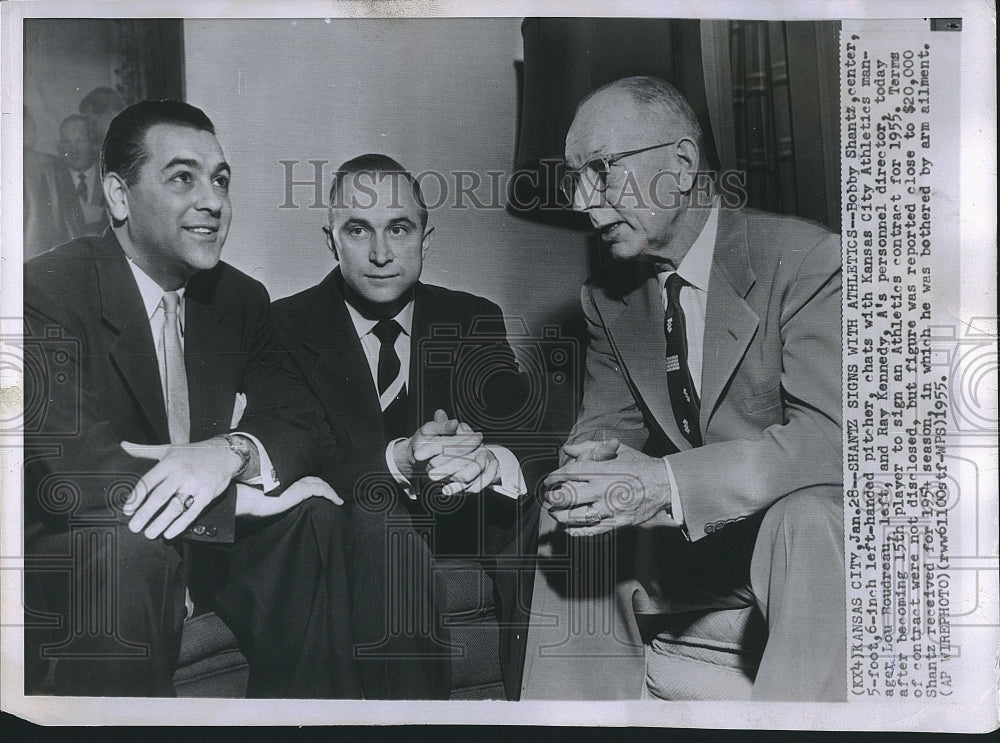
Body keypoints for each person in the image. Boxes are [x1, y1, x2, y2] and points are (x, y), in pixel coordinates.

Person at [521, 76, 845, 701]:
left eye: (602, 171)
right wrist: (584, 473)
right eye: (574, 179)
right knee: (574, 517)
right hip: (698, 553)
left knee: (811, 515)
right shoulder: (609, 299)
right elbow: (600, 434)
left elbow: (829, 442)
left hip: (791, 539)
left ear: (682, 163)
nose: (586, 205)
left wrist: (666, 483)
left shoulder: (807, 261)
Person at [24, 100, 360, 698]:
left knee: (316, 518)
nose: (213, 201)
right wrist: (235, 501)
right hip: (94, 546)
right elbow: (72, 465)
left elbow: (302, 418)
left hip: (203, 552)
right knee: (130, 544)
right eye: (183, 178)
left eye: (221, 180)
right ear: (119, 197)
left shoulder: (240, 299)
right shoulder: (46, 287)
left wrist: (230, 452)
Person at [272, 154, 542, 699]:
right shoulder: (284, 326)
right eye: (358, 230)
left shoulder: (472, 317)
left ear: (426, 238)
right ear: (331, 241)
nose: (380, 253)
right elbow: (295, 455)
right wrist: (398, 458)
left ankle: (537, 710)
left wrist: (489, 460)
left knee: (542, 508)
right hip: (358, 529)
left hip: (464, 516)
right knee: (376, 511)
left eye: (399, 228)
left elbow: (528, 435)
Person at [23, 107, 85, 259]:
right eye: (32, 126)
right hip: (48, 262)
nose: (36, 129)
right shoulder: (53, 165)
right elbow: (74, 225)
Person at [57, 114, 106, 235]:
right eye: (67, 142)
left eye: (80, 141)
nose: (73, 149)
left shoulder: (110, 177)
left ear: (93, 144)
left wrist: (102, 215)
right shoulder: (53, 179)